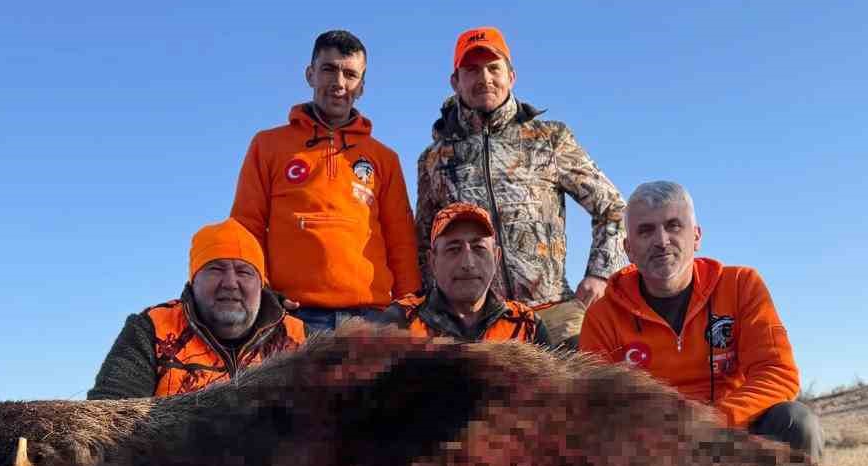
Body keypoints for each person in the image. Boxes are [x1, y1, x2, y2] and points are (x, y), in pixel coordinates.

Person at [579, 181, 823, 459]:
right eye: (646, 231)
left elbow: (778, 372)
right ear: (628, 249)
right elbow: (595, 407)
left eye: (673, 226)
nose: (661, 241)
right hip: (653, 453)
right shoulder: (602, 316)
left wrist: (709, 425)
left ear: (696, 236)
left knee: (796, 422)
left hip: (733, 432)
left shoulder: (741, 285)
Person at [415, 26, 625, 346]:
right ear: (455, 81)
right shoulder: (434, 158)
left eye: (493, 68)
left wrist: (601, 273)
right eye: (472, 70)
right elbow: (424, 243)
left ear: (511, 76)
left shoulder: (550, 139)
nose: (484, 78)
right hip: (476, 324)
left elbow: (613, 208)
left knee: (592, 374)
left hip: (553, 312)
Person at [231, 29, 420, 332]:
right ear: (310, 74)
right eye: (329, 69)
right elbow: (245, 227)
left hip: (371, 318)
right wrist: (261, 292)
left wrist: (408, 306)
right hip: (292, 316)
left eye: (351, 74)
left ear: (362, 86)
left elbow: (401, 240)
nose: (339, 83)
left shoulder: (384, 158)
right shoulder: (267, 145)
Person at [88, 219, 304, 399]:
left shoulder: (300, 338)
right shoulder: (152, 328)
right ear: (193, 281)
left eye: (244, 272)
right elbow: (110, 412)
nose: (230, 283)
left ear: (261, 285)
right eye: (215, 269)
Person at [378, 202, 550, 344]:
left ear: (496, 257)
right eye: (453, 249)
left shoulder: (527, 325)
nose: (468, 263)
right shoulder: (400, 321)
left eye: (479, 248)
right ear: (433, 261)